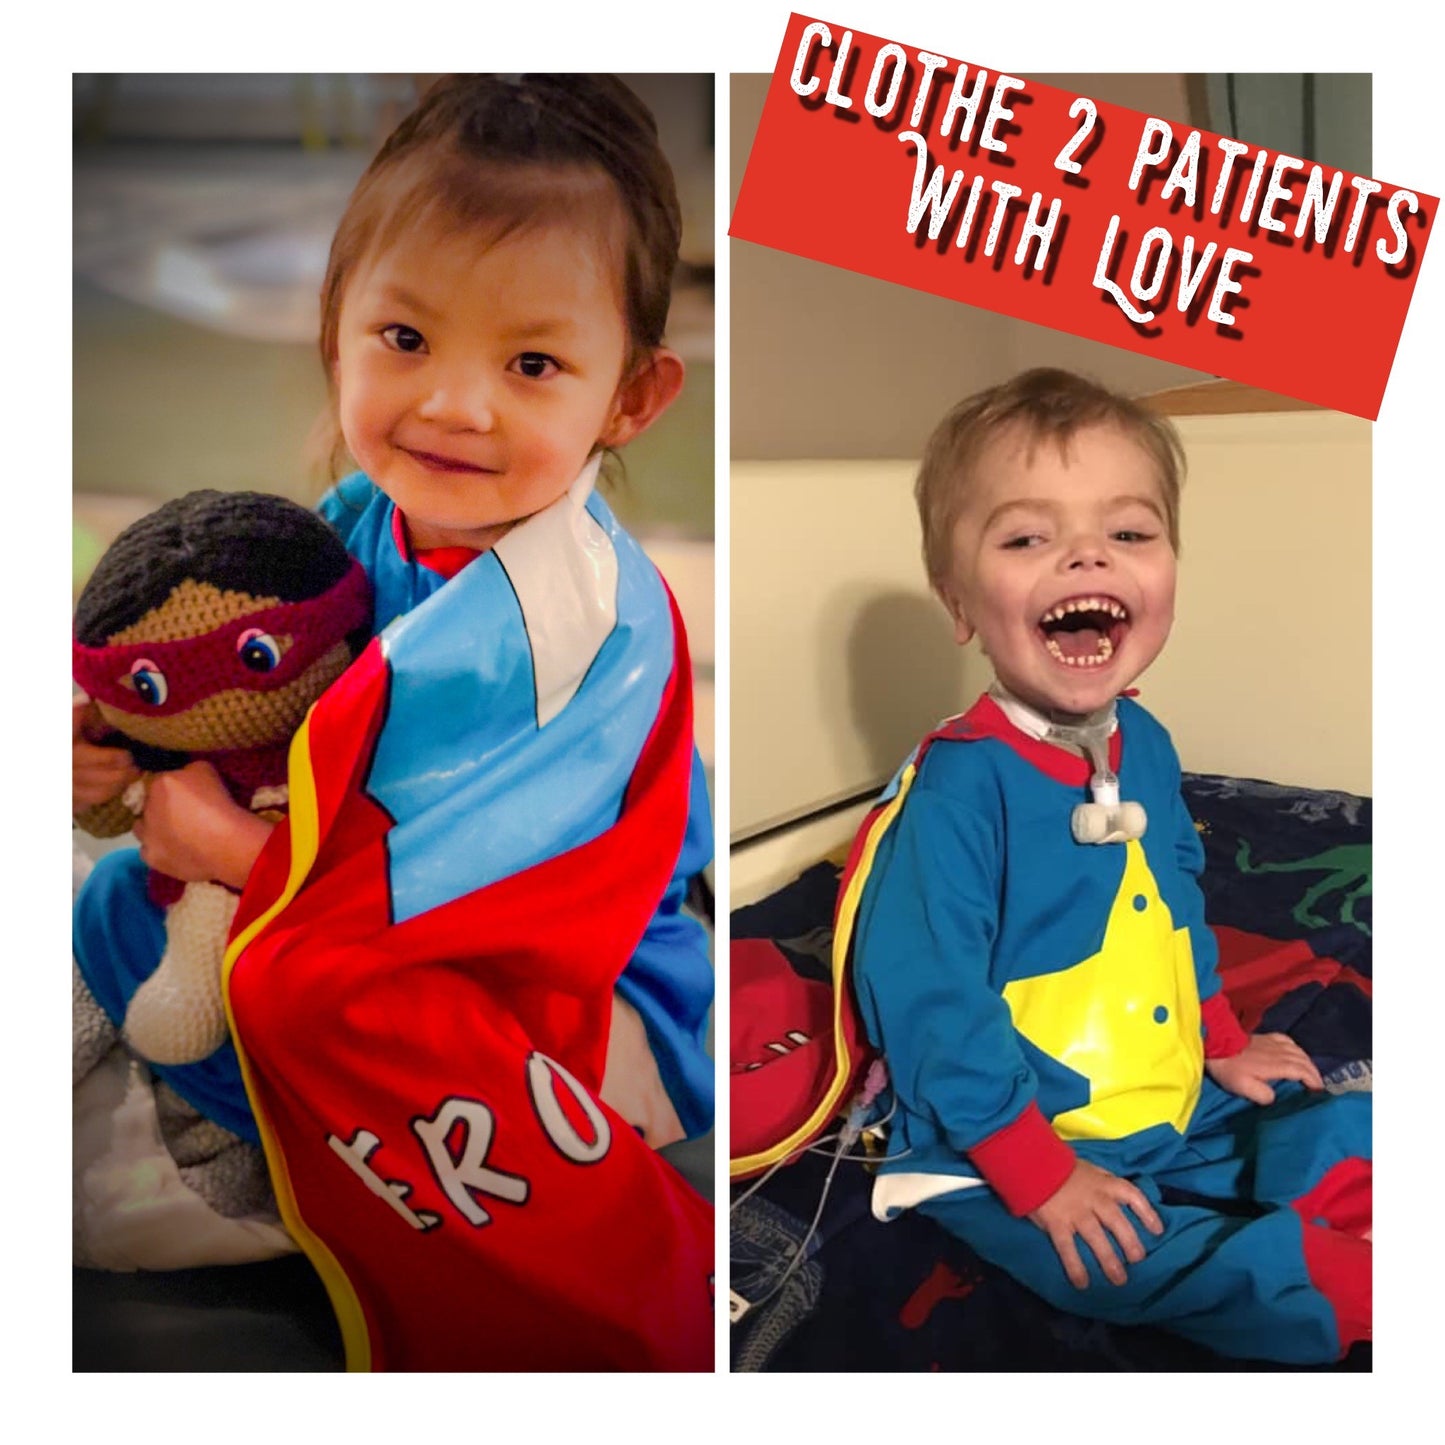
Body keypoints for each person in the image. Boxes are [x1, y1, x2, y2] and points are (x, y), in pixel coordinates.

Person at [72, 74, 714, 1370]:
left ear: (631, 398)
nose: (453, 404)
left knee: (299, 994)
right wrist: (128, 747)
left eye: (531, 363)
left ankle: (256, 1165)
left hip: (569, 970)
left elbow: (460, 900)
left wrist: (218, 846)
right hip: (342, 865)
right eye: (406, 340)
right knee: (107, 904)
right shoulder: (367, 521)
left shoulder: (574, 620)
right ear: (338, 331)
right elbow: (266, 694)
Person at [846, 368, 1370, 1366]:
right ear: (959, 602)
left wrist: (1217, 1037)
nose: (1086, 552)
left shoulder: (1150, 743)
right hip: (1003, 1137)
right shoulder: (957, 790)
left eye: (1127, 533)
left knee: (1336, 1127)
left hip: (1162, 1086)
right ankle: (1339, 1288)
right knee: (1135, 1257)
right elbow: (927, 1000)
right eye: (1025, 537)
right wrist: (1037, 1175)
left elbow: (1173, 906)